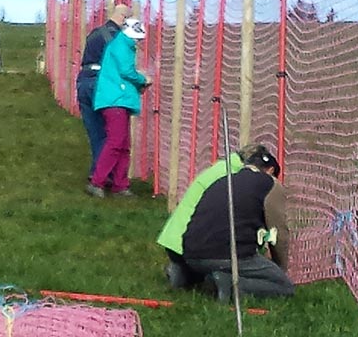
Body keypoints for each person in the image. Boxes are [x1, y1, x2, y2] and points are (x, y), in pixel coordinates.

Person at [166, 148, 294, 301]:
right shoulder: (271, 184)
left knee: (213, 264)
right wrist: (280, 269)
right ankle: (232, 286)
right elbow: (278, 232)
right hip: (226, 255)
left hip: (190, 253)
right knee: (285, 287)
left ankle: (185, 274)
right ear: (271, 170)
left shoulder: (223, 180)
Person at [157, 144, 270, 288]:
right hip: (194, 241)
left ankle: (182, 272)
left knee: (189, 280)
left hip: (173, 239)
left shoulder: (221, 168)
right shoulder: (235, 177)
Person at [86, 18, 150, 198]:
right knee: (116, 142)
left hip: (117, 99)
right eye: (137, 38)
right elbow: (126, 71)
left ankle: (119, 184)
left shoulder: (121, 44)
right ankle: (98, 181)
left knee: (122, 144)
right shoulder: (123, 46)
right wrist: (143, 80)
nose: (138, 42)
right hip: (116, 100)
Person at [76, 4, 132, 182]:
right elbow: (120, 65)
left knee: (95, 132)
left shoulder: (95, 33)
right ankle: (105, 176)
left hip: (83, 80)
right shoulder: (117, 38)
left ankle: (98, 172)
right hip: (101, 83)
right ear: (123, 18)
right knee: (112, 134)